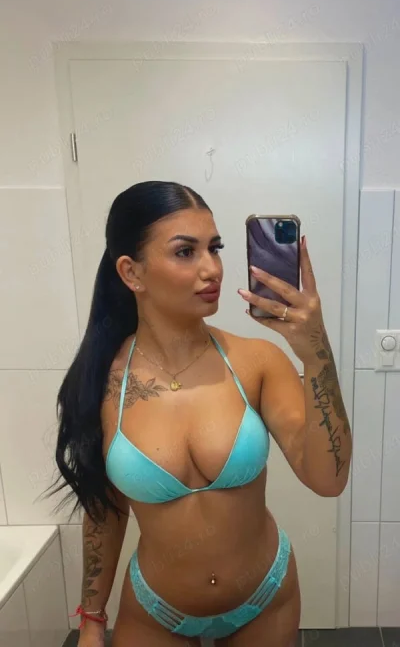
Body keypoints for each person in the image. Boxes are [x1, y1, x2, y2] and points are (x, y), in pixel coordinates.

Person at [43, 180, 352, 646]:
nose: (213, 269)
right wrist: (91, 618)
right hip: (155, 610)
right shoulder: (103, 381)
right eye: (186, 252)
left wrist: (316, 353)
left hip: (264, 598)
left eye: (215, 248)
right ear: (131, 272)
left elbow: (329, 480)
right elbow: (105, 512)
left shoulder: (257, 362)